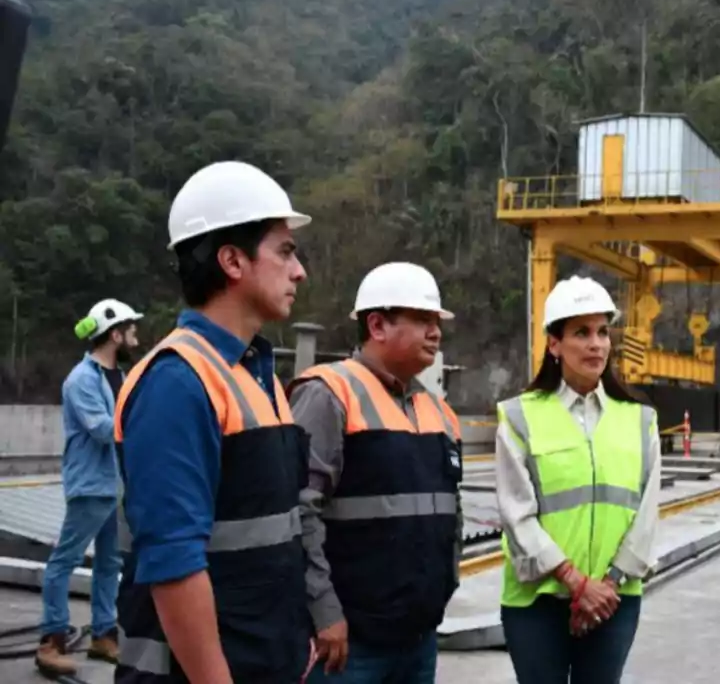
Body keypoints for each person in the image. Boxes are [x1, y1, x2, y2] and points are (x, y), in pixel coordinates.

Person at [113, 160, 313, 683]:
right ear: (231, 260)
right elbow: (174, 563)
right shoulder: (178, 383)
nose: (300, 271)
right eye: (286, 252)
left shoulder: (256, 373)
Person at [289, 262, 463, 683]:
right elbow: (298, 511)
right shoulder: (328, 395)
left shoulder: (438, 412)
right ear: (377, 325)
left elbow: (451, 513)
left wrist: (445, 585)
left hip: (418, 639)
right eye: (423, 320)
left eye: (436, 322)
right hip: (348, 644)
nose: (435, 333)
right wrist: (324, 612)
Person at [496, 275, 661, 684]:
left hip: (613, 598)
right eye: (581, 332)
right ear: (554, 344)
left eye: (603, 332)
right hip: (538, 602)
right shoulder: (519, 416)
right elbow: (517, 515)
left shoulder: (640, 418)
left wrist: (606, 585)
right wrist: (574, 582)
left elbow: (646, 514)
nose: (596, 344)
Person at [36, 299, 142, 677]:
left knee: (110, 563)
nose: (135, 336)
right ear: (114, 334)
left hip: (115, 485)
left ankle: (103, 634)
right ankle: (51, 641)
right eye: (130, 329)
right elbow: (102, 429)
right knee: (64, 560)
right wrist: (145, 423)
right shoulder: (82, 379)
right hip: (91, 486)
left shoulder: (121, 377)